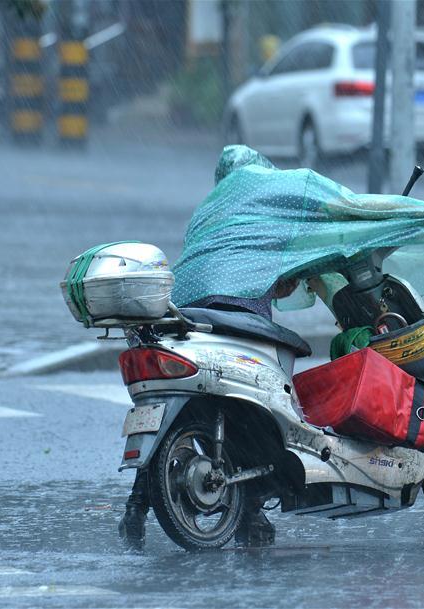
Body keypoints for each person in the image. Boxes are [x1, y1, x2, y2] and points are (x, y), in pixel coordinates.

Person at [119, 148, 297, 550]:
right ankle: (252, 512)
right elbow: (284, 283)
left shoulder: (207, 213)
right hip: (238, 316)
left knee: (186, 411)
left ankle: (135, 508)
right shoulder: (265, 217)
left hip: (185, 314)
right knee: (258, 406)